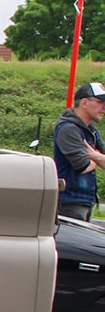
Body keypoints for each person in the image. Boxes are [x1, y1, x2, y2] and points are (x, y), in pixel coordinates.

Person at [53, 83, 105, 222]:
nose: (103, 107)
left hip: (83, 200)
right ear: (84, 102)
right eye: (100, 102)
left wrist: (94, 155)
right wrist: (97, 157)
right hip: (69, 201)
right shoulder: (68, 129)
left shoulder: (91, 130)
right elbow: (83, 165)